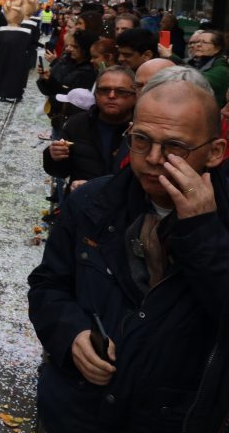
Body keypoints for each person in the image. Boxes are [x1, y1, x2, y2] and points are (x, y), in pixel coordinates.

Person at [28, 67, 229, 432]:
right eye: (141, 140)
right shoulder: (91, 203)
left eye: (175, 147)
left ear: (214, 152)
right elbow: (48, 285)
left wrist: (202, 232)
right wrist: (71, 334)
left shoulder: (220, 225)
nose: (153, 157)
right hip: (76, 411)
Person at [44, 66, 136, 193]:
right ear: (96, 94)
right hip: (81, 200)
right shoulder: (77, 123)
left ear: (135, 96)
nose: (111, 95)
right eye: (104, 90)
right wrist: (54, 156)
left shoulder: (141, 130)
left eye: (121, 91)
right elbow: (61, 172)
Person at [183, 29, 229, 106]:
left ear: (217, 48)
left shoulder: (222, 69)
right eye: (197, 42)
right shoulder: (191, 62)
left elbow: (197, 81)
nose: (198, 45)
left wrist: (172, 57)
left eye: (204, 42)